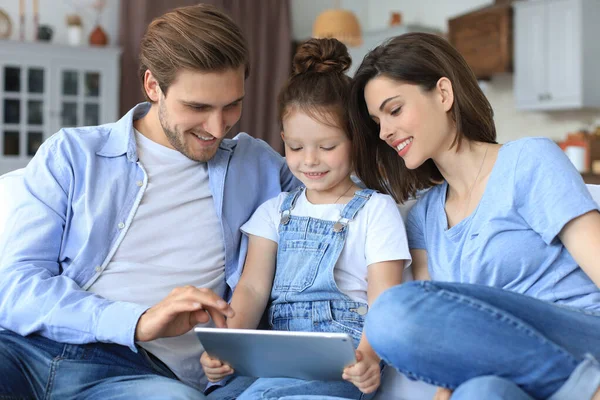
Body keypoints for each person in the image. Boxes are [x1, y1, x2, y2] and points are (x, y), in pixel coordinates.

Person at [0, 4, 299, 400]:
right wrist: (137, 320)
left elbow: (345, 189)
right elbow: (16, 288)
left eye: (231, 105)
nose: (217, 126)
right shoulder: (73, 154)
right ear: (152, 86)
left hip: (137, 374)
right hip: (23, 350)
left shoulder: (258, 166)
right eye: (197, 107)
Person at [348, 31, 600, 400]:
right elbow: (446, 338)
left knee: (390, 313)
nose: (384, 132)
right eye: (377, 122)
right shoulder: (423, 217)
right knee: (480, 392)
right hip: (517, 380)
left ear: (444, 94)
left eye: (395, 110)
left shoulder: (528, 161)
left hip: (582, 338)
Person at [200, 38, 410, 399]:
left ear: (357, 139)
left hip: (343, 370)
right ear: (283, 140)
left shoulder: (376, 211)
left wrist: (370, 358)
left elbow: (384, 301)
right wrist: (226, 347)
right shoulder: (274, 211)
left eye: (327, 147)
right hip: (276, 366)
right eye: (295, 148)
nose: (309, 160)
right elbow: (251, 288)